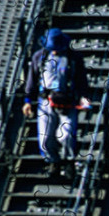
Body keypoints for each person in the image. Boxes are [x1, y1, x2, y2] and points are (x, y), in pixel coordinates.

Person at [23, 28, 91, 177]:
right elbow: (31, 80)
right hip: (46, 102)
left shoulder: (74, 59)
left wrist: (84, 97)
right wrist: (28, 100)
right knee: (45, 137)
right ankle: (53, 161)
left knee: (66, 135)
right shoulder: (38, 57)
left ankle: (69, 162)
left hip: (68, 101)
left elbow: (82, 81)